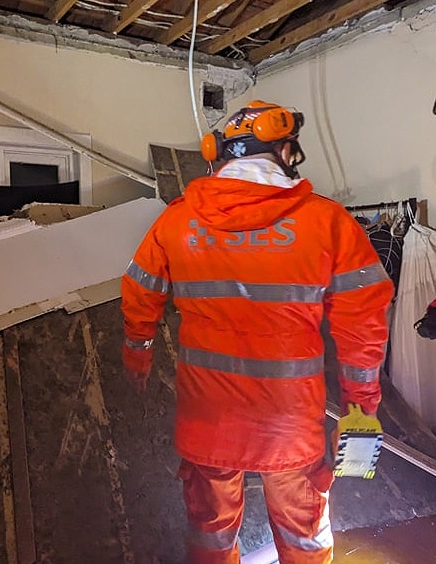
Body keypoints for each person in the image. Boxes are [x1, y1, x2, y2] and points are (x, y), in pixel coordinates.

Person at [120, 100, 394, 563]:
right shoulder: (328, 222)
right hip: (290, 427)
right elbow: (363, 321)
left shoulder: (177, 220)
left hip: (208, 423)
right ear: (284, 153)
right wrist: (359, 404)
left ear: (221, 154)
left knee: (211, 535)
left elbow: (140, 292)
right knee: (304, 536)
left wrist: (138, 356)